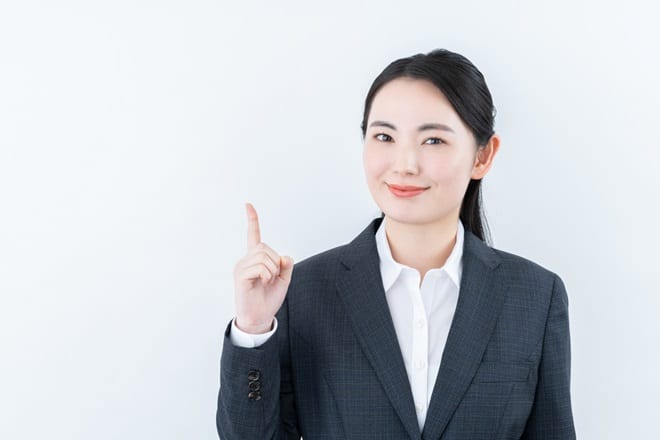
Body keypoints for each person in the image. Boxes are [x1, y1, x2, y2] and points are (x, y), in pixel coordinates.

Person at [216, 48, 576, 439]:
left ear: (483, 156)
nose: (404, 164)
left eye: (433, 140)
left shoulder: (535, 297)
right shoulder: (302, 292)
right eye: (384, 136)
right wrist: (253, 330)